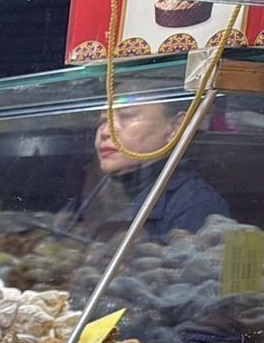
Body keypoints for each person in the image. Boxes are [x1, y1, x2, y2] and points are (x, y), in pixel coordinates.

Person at [62, 102, 229, 241]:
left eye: (127, 116)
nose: (106, 131)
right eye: (103, 120)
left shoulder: (194, 203)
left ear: (176, 128)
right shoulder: (96, 190)